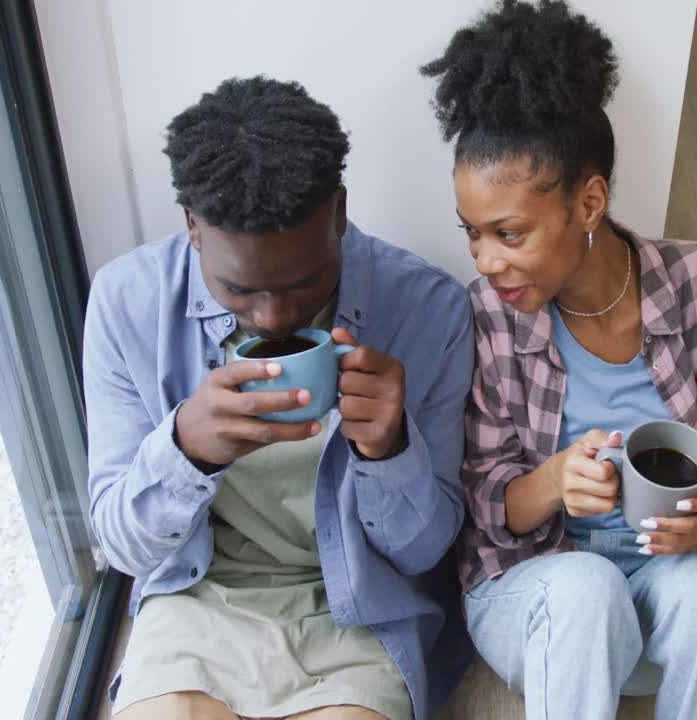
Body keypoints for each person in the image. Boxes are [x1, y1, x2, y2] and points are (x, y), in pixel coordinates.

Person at [421, 2, 697, 718]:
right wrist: (552, 480)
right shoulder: (486, 317)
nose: (487, 260)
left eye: (509, 233)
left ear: (589, 203)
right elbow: (489, 509)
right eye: (473, 234)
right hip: (538, 596)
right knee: (587, 586)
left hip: (665, 593)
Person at [83, 76, 473, 720]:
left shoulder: (427, 308)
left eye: (305, 283)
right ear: (193, 228)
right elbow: (122, 546)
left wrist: (388, 448)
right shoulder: (129, 302)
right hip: (195, 605)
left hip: (358, 613)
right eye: (239, 290)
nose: (272, 317)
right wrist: (185, 450)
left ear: (340, 213)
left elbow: (424, 551)